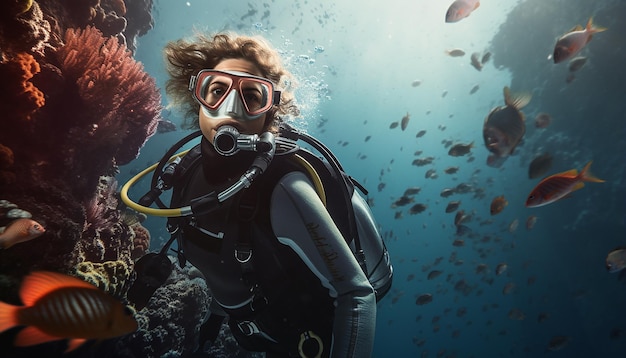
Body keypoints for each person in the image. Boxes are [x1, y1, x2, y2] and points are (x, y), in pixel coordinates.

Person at [161, 32, 385, 357]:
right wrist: (216, 317)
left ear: (270, 110)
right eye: (217, 89)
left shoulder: (284, 189)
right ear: (197, 96)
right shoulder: (185, 170)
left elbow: (356, 293)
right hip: (250, 329)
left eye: (252, 96)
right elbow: (227, 257)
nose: (231, 107)